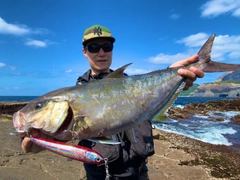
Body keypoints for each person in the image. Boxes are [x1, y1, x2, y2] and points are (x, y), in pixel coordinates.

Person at [21, 25, 204, 180]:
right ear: (85, 52)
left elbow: (150, 89)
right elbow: (42, 144)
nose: (101, 53)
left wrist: (174, 75)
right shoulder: (74, 95)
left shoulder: (130, 84)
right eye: (94, 47)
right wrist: (37, 142)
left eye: (107, 46)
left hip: (140, 174)